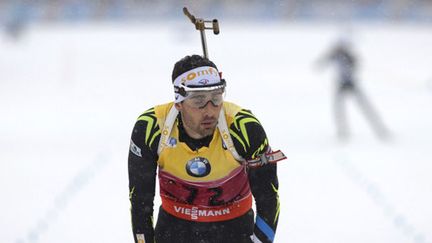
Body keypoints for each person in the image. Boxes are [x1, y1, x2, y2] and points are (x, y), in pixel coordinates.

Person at [128, 54, 286, 243]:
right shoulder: (152, 127)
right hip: (175, 230)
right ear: (178, 102)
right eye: (198, 101)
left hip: (233, 230)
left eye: (216, 98)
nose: (210, 110)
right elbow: (140, 200)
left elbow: (268, 197)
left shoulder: (244, 128)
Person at [317, 38, 389, 140]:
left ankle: (380, 129)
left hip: (350, 84)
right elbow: (322, 62)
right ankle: (342, 132)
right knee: (339, 109)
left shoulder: (348, 55)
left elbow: (356, 64)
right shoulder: (336, 55)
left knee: (365, 107)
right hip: (341, 84)